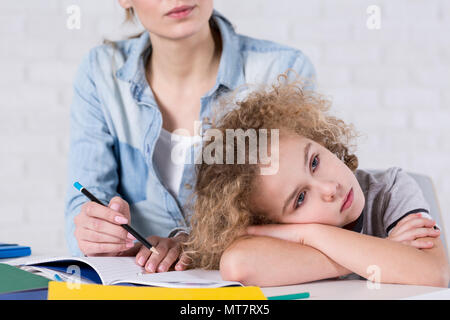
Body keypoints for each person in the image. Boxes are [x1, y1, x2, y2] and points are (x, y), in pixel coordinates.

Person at [64, 0, 316, 276]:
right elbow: (86, 201)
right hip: (142, 284)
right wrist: (98, 232)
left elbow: (306, 214)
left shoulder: (282, 69)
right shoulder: (100, 72)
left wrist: (198, 246)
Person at [183, 74, 450, 287]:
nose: (329, 188)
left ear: (319, 140)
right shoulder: (286, 234)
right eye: (300, 198)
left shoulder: (390, 190)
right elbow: (238, 265)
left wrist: (307, 235)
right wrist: (385, 252)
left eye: (314, 162)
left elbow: (433, 272)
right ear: (273, 224)